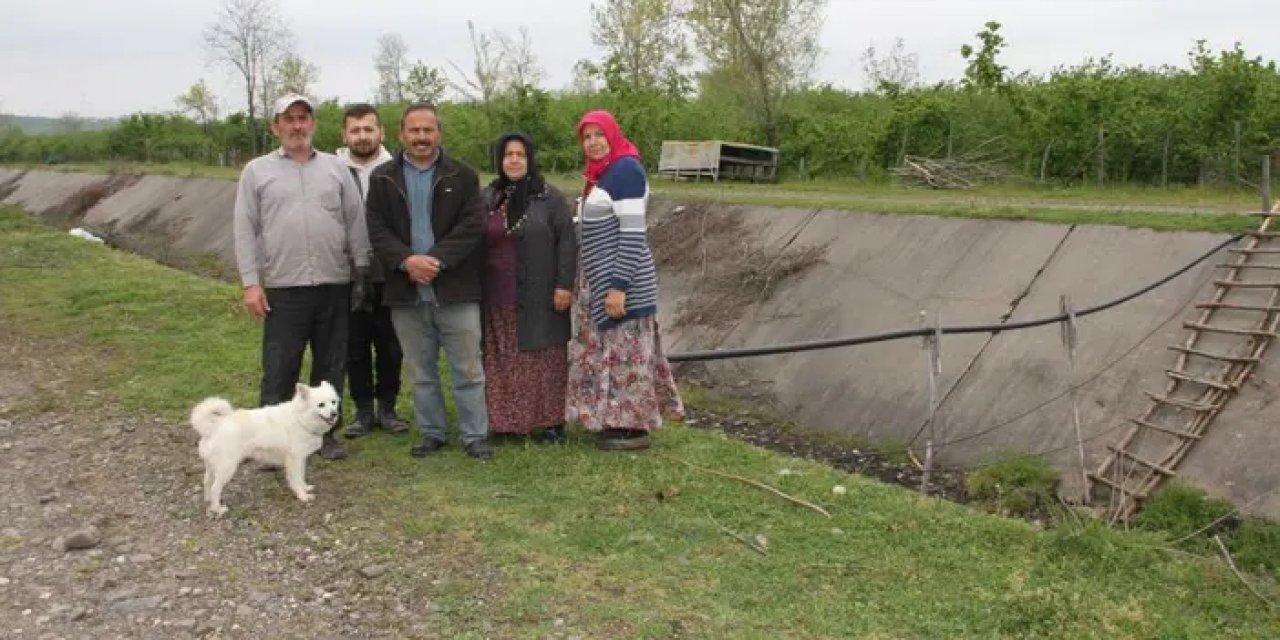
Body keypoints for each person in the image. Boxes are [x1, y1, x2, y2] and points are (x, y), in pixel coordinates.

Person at [232, 93, 370, 460]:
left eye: (303, 118)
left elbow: (355, 222)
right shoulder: (257, 172)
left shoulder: (337, 169)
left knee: (330, 366)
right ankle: (270, 443)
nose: (296, 126)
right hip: (284, 287)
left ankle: (325, 437)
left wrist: (362, 273)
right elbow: (245, 229)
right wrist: (250, 282)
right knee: (280, 367)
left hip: (333, 284)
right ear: (275, 126)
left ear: (313, 124)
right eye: (288, 119)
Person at [364, 102, 494, 460]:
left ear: (439, 133)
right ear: (401, 134)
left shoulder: (463, 176)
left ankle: (474, 435)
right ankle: (432, 432)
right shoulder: (382, 178)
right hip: (406, 292)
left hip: (456, 289)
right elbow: (376, 228)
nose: (421, 137)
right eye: (414, 131)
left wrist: (436, 260)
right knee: (421, 372)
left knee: (468, 369)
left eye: (428, 130)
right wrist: (406, 261)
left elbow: (473, 225)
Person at [567, 110, 684, 451]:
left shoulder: (626, 171)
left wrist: (618, 286)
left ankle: (632, 429)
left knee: (627, 357)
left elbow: (633, 235)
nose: (593, 143)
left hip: (624, 284)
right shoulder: (602, 176)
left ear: (613, 135)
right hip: (602, 282)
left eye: (598, 135)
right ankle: (612, 420)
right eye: (586, 137)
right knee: (611, 355)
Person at [480, 132, 577, 443]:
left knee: (543, 359)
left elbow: (567, 242)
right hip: (497, 294)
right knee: (503, 360)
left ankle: (550, 423)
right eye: (508, 155)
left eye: (520, 154)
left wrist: (564, 284)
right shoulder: (489, 197)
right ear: (500, 160)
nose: (514, 160)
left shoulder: (550, 198)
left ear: (530, 159)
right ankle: (507, 423)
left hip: (541, 292)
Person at [335, 103, 409, 438]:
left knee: (391, 344)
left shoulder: (399, 169)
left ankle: (388, 407)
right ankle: (362, 410)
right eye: (355, 130)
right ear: (345, 134)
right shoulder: (332, 169)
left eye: (369, 129)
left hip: (391, 271)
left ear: (381, 132)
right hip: (347, 271)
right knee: (354, 345)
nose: (362, 136)